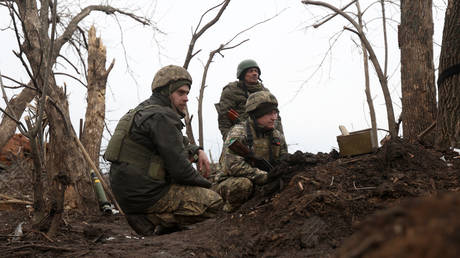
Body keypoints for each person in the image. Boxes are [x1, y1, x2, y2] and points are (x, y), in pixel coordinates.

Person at [104, 65, 223, 236]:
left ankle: (152, 218)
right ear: (166, 92)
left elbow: (176, 146)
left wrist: (198, 151)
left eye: (187, 93)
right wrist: (209, 186)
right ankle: (152, 219)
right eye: (181, 93)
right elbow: (181, 170)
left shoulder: (143, 111)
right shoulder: (162, 117)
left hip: (128, 192)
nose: (186, 98)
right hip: (144, 193)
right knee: (213, 202)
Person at [214, 91, 288, 212]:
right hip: (229, 182)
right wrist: (265, 177)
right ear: (257, 114)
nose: (274, 117)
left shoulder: (277, 136)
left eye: (275, 113)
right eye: (269, 113)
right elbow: (233, 166)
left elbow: (283, 159)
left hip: (260, 180)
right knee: (243, 185)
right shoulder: (238, 132)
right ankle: (225, 213)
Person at [215, 59, 284, 141]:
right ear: (242, 74)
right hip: (241, 135)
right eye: (250, 71)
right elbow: (224, 118)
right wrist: (230, 140)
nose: (255, 73)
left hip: (265, 137)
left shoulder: (265, 92)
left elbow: (276, 118)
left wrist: (279, 139)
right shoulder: (231, 90)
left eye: (256, 71)